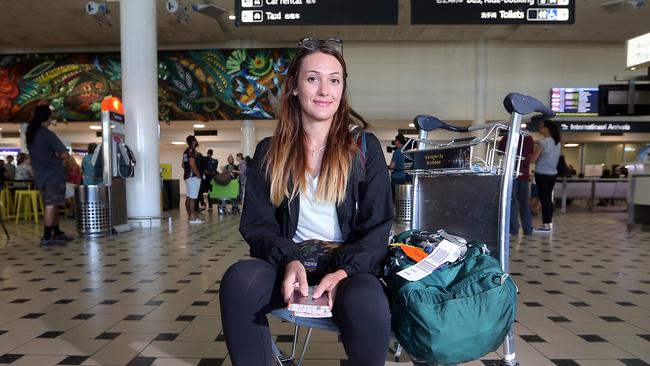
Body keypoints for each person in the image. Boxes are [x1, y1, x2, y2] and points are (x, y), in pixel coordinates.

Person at [220, 38, 393, 366]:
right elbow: (258, 224)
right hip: (288, 262)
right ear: (295, 87)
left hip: (347, 268)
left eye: (334, 80)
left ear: (342, 90)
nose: (324, 89)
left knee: (368, 303)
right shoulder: (270, 152)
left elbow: (377, 226)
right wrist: (290, 261)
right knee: (239, 282)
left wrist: (343, 272)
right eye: (313, 78)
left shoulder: (364, 148)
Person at [26, 104, 74, 245]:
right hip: (53, 175)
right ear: (48, 117)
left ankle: (57, 232)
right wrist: (63, 160)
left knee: (54, 203)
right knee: (52, 204)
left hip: (41, 175)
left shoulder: (31, 135)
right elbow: (64, 154)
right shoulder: (47, 134)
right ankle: (47, 237)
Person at [499, 134, 534, 236]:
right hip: (524, 174)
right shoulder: (528, 138)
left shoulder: (507, 137)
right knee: (524, 203)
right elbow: (530, 154)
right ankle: (528, 229)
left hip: (511, 175)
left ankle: (513, 229)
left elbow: (500, 152)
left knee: (512, 202)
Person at [531, 120, 562, 233]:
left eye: (540, 126)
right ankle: (547, 223)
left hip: (542, 173)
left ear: (546, 128)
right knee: (547, 199)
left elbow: (533, 159)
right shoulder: (557, 142)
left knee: (544, 200)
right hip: (552, 174)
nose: (539, 128)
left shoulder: (543, 142)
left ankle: (546, 226)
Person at [182, 135, 204, 225]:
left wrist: (188, 172)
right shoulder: (192, 150)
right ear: (194, 141)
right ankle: (192, 218)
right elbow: (191, 163)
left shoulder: (185, 151)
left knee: (188, 196)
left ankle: (189, 217)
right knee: (193, 197)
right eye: (196, 140)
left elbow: (183, 164)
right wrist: (198, 174)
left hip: (187, 176)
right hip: (193, 176)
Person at [389, 133, 408, 199]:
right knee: (402, 195)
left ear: (398, 141)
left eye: (395, 140)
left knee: (394, 196)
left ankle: (394, 208)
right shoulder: (406, 151)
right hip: (404, 176)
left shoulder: (396, 152)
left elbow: (392, 166)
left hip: (396, 177)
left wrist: (388, 166)